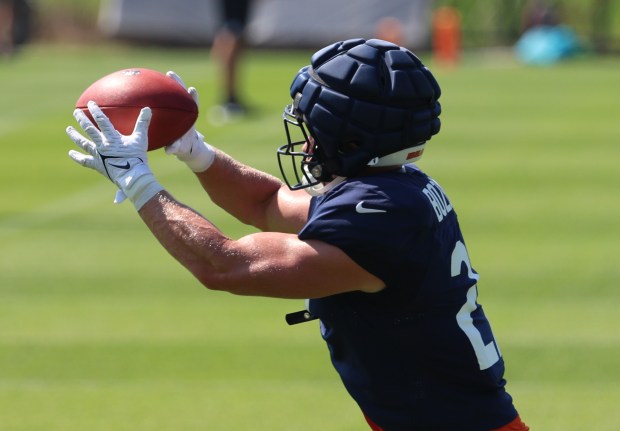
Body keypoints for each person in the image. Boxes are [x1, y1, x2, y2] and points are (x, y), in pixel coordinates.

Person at [66, 38, 529, 431]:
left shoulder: (377, 214)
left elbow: (224, 265)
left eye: (316, 129)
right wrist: (196, 152)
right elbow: (265, 203)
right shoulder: (393, 188)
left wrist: (138, 182)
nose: (307, 142)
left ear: (352, 140)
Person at [210, 0, 252, 116]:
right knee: (229, 54)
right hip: (232, 17)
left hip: (237, 17)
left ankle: (231, 97)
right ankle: (230, 98)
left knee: (234, 55)